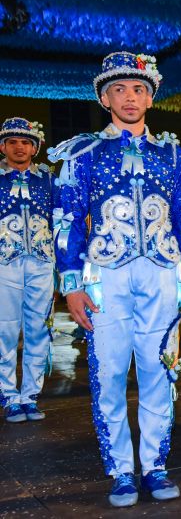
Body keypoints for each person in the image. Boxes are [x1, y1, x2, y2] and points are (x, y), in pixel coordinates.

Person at [49, 52, 181, 507]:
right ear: (104, 97)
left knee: (159, 372)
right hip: (107, 279)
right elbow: (68, 220)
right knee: (110, 373)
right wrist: (72, 284)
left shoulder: (172, 153)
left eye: (138, 89)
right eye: (119, 89)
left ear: (151, 97)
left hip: (161, 274)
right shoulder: (84, 153)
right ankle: (120, 470)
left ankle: (154, 464)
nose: (129, 97)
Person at [0, 118, 54, 424]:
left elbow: (61, 221)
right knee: (5, 329)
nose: (19, 147)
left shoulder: (48, 180)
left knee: (38, 328)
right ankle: (8, 394)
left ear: (35, 147)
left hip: (41, 263)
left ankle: (30, 394)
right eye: (12, 142)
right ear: (3, 146)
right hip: (4, 263)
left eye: (25, 142)